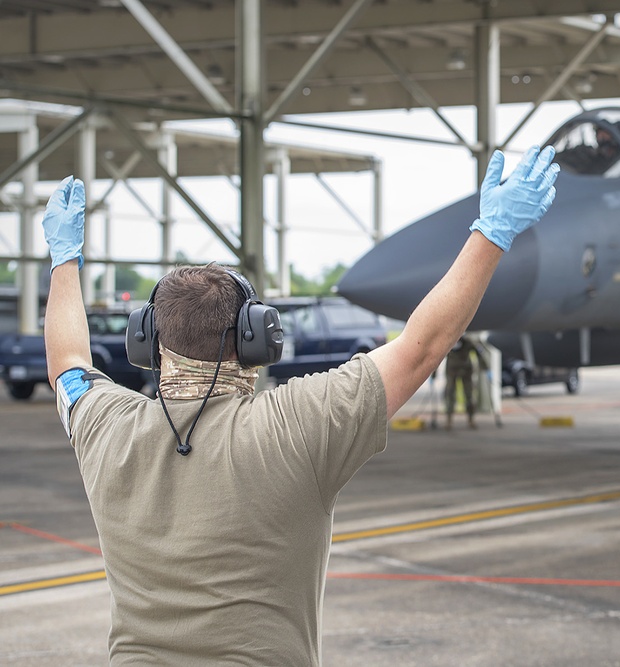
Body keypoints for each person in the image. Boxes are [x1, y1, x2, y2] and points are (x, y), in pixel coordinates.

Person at [41, 145, 559, 665]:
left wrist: (64, 260)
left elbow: (66, 362)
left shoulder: (104, 425)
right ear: (256, 341)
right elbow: (421, 346)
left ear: (146, 341)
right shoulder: (295, 425)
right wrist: (492, 234)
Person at [444, 333, 487, 430]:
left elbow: (479, 352)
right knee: (450, 394)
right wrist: (433, 373)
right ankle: (449, 420)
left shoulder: (467, 341)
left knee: (469, 395)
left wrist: (485, 367)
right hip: (452, 371)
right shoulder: (447, 340)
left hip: (466, 371)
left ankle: (471, 419)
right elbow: (437, 356)